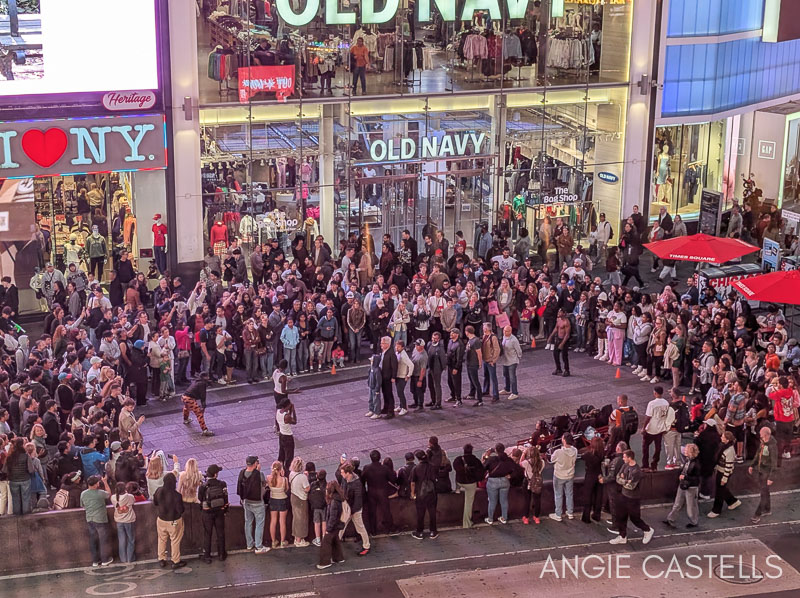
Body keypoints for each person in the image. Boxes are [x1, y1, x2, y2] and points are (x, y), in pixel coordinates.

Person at [609, 450, 655, 545]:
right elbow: (618, 478)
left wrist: (623, 479)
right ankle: (622, 536)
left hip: (633, 499)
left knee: (635, 519)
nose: (623, 458)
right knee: (621, 516)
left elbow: (631, 486)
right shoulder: (625, 466)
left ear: (629, 458)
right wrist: (626, 481)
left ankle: (648, 530)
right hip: (624, 495)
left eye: (624, 457)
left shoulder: (636, 471)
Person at [153, 472, 186, 569]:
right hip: (174, 521)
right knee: (175, 541)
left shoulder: (159, 491)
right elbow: (181, 510)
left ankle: (162, 559)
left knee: (161, 539)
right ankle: (175, 561)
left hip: (161, 520)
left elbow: (155, 502)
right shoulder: (177, 495)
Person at [663, 443, 700, 529]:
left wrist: (685, 477)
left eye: (687, 450)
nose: (684, 451)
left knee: (691, 507)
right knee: (677, 503)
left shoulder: (696, 464)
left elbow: (697, 478)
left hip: (691, 487)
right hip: (683, 484)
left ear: (691, 452)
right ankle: (670, 518)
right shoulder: (688, 460)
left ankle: (694, 521)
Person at [237, 456, 270, 554]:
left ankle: (249, 544)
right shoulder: (259, 474)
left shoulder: (242, 473)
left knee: (248, 522)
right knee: (259, 524)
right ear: (255, 463)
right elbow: (264, 484)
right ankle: (259, 546)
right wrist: (258, 471)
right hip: (257, 503)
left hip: (246, 502)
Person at [80, 474, 114, 567]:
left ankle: (95, 561)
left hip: (89, 519)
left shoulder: (83, 494)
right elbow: (109, 494)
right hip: (100, 519)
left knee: (93, 541)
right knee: (103, 540)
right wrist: (105, 482)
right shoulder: (100, 493)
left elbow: (82, 505)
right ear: (96, 484)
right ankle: (105, 560)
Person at [338, 460, 370, 555]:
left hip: (355, 510)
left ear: (348, 473)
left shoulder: (357, 483)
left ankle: (366, 546)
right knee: (341, 527)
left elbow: (358, 500)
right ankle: (335, 544)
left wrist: (351, 512)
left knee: (360, 528)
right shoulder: (345, 479)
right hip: (347, 507)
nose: (341, 474)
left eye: (342, 472)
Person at [708, 431, 742, 518]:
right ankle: (732, 501)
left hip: (723, 472)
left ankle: (716, 510)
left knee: (719, 492)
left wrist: (724, 478)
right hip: (720, 470)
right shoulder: (723, 446)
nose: (721, 438)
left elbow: (729, 466)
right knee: (721, 488)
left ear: (727, 440)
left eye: (723, 437)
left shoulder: (729, 450)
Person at [198, 464, 228, 563]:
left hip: (207, 512)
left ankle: (207, 556)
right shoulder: (222, 484)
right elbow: (225, 497)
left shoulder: (203, 486)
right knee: (220, 533)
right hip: (219, 511)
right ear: (215, 474)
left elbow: (200, 498)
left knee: (208, 533)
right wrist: (225, 510)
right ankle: (222, 554)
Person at [482, 442, 517, 525]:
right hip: (505, 480)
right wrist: (510, 475)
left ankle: (490, 519)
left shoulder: (492, 459)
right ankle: (504, 518)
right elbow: (516, 470)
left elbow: (483, 467)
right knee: (504, 501)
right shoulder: (509, 460)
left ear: (496, 450)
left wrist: (486, 456)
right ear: (504, 449)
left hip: (493, 482)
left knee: (492, 501)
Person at [748, 426, 777, 523]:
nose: (759, 435)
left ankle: (757, 514)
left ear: (766, 435)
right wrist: (752, 465)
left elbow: (774, 463)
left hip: (766, 473)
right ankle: (767, 509)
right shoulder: (763, 442)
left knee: (763, 493)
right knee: (765, 492)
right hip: (761, 471)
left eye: (761, 434)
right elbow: (758, 455)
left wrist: (771, 477)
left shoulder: (772, 446)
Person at [453, 443, 484, 529]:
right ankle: (466, 523)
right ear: (472, 450)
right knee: (468, 503)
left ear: (464, 450)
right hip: (470, 484)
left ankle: (457, 489)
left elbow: (455, 469)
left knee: (457, 479)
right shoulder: (476, 461)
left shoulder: (458, 459)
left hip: (460, 481)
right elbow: (481, 472)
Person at [317, 480, 346, 569]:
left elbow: (332, 517)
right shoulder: (338, 499)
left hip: (333, 526)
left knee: (326, 542)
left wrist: (328, 529)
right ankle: (338, 558)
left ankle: (325, 562)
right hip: (337, 525)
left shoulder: (333, 502)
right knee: (335, 540)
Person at [548, 433, 578, 522]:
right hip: (570, 475)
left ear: (564, 440)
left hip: (559, 475)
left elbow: (552, 459)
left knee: (558, 494)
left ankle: (558, 514)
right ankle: (570, 512)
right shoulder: (575, 450)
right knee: (569, 494)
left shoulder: (558, 452)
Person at [410, 450, 438, 540]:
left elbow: (413, 483)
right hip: (432, 493)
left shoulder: (416, 468)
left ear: (417, 458)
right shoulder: (432, 466)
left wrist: (412, 493)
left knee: (420, 513)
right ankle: (433, 531)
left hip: (420, 494)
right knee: (432, 512)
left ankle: (420, 532)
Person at [641, 386, 671, 471]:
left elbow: (648, 417)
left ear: (655, 393)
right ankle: (654, 465)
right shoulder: (666, 403)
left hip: (651, 429)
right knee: (658, 447)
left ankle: (645, 465)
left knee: (645, 446)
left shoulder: (652, 403)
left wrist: (643, 428)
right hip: (660, 429)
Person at [110, 481, 137, 563]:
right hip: (129, 520)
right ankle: (130, 558)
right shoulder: (129, 496)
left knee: (121, 540)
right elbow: (133, 501)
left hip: (119, 521)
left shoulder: (113, 497)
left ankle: (123, 559)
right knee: (131, 539)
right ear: (125, 488)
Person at [580, 437, 604, 523]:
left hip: (590, 476)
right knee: (598, 496)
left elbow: (581, 456)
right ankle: (597, 515)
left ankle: (586, 517)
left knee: (588, 496)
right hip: (599, 475)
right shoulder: (602, 454)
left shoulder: (588, 455)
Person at [288, 457, 311, 547]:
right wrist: (306, 477)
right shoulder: (302, 477)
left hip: (293, 496)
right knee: (301, 519)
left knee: (296, 518)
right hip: (301, 499)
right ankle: (299, 540)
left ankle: (296, 537)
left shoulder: (291, 474)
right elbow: (307, 488)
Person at [268, 460, 290, 549]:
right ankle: (282, 541)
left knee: (273, 521)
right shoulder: (284, 479)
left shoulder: (268, 478)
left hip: (273, 500)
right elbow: (286, 489)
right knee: (282, 522)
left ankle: (273, 541)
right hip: (282, 500)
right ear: (281, 469)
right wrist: (283, 475)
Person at [522, 445, 545, 525]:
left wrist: (523, 453)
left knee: (527, 500)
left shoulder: (526, 462)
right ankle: (536, 517)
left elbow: (520, 463)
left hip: (528, 481)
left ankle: (526, 518)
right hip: (537, 482)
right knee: (537, 500)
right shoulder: (542, 462)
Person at [498, 325, 522, 400]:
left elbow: (519, 350)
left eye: (507, 331)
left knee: (512, 377)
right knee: (505, 374)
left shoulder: (514, 340)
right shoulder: (504, 337)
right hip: (505, 360)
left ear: (510, 331)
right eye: (504, 331)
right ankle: (507, 389)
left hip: (512, 361)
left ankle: (515, 393)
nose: (505, 332)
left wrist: (518, 357)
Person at [547, 309, 572, 377]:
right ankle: (558, 369)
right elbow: (556, 328)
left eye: (560, 312)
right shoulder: (558, 320)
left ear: (564, 313)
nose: (558, 313)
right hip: (558, 339)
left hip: (564, 340)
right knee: (555, 354)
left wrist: (562, 343)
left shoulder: (566, 322)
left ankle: (567, 370)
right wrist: (550, 337)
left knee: (564, 356)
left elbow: (567, 335)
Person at [378, 336, 398, 418]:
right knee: (384, 393)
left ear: (388, 344)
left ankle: (391, 411)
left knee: (389, 394)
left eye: (383, 343)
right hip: (382, 376)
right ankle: (386, 408)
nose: (381, 345)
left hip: (388, 377)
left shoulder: (391, 354)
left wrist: (393, 377)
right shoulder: (383, 351)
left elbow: (394, 366)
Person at [481, 323, 501, 402]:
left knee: (493, 377)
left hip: (490, 361)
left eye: (484, 327)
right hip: (485, 359)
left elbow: (497, 349)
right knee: (486, 376)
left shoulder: (493, 337)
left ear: (486, 329)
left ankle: (496, 395)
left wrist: (493, 360)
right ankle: (486, 390)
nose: (483, 328)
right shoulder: (484, 336)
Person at [464, 325, 483, 406]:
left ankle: (480, 399)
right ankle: (472, 394)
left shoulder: (476, 341)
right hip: (469, 363)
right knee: (471, 380)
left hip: (473, 363)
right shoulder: (470, 340)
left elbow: (479, 353)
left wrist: (480, 363)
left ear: (467, 332)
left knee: (475, 381)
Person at [277, 398, 296, 473]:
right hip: (288, 437)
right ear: (287, 405)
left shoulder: (278, 411)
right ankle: (286, 470)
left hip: (281, 435)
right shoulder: (287, 416)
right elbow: (294, 421)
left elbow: (286, 419)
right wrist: (293, 410)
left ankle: (279, 468)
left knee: (282, 453)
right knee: (289, 455)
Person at [446, 329, 465, 406]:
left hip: (455, 366)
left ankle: (459, 399)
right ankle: (453, 396)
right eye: (451, 333)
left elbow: (459, 357)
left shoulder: (459, 344)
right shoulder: (450, 341)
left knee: (456, 383)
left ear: (457, 334)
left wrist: (456, 368)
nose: (451, 334)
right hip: (450, 365)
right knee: (450, 381)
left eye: (453, 333)